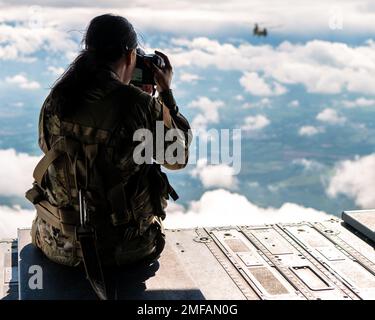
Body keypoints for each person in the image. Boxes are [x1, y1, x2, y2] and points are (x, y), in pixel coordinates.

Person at [25, 14, 191, 298]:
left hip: (53, 240)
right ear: (130, 56)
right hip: (120, 250)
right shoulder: (136, 105)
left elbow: (49, 146)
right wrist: (165, 95)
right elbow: (177, 157)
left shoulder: (58, 97)